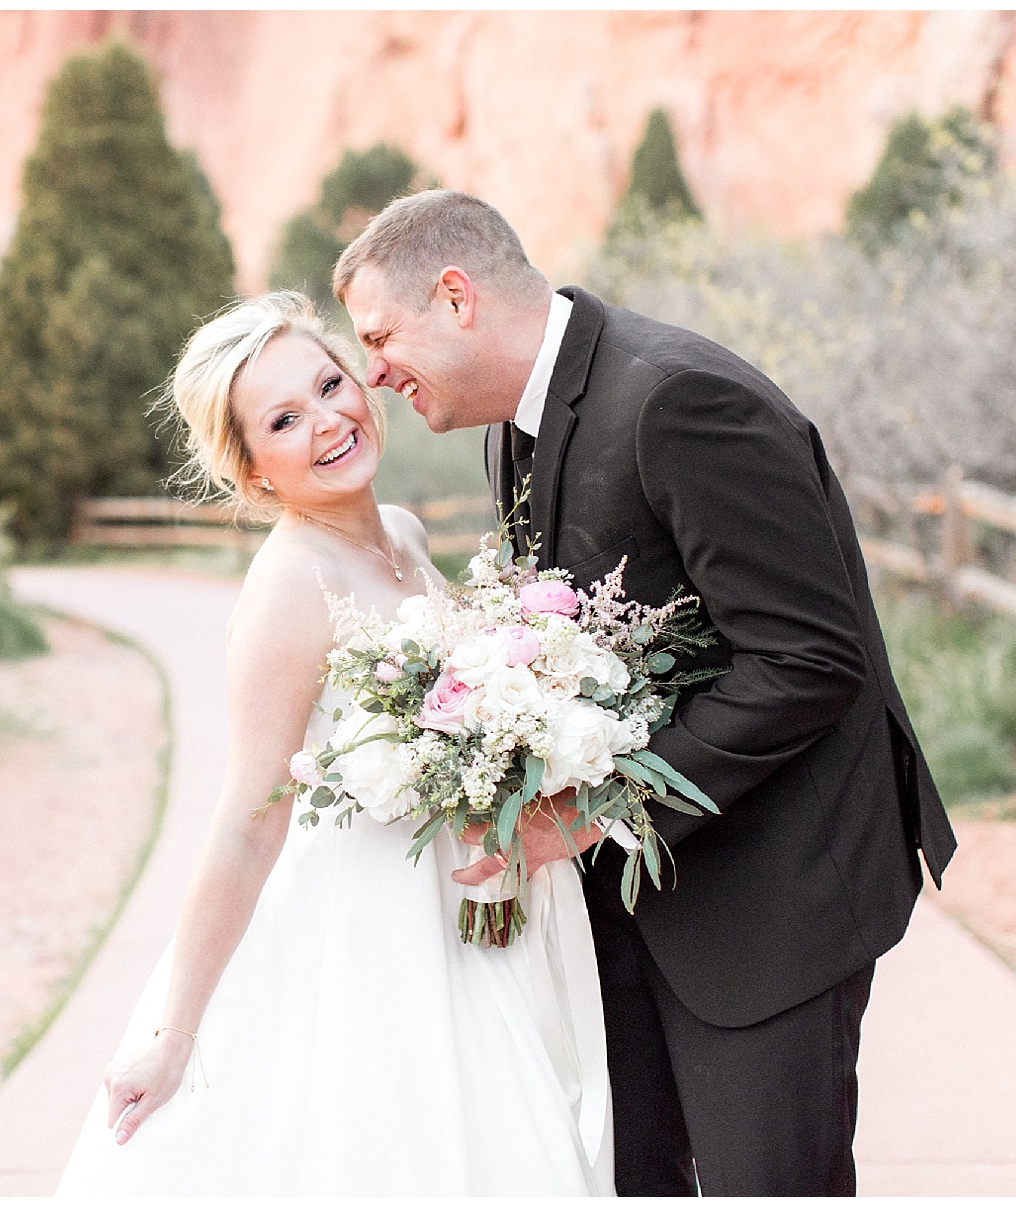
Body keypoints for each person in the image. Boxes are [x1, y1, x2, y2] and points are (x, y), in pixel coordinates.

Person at [334, 189, 957, 1197]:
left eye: (377, 335)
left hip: (773, 900)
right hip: (636, 912)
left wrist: (595, 808)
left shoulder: (677, 398)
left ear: (455, 297)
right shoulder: (515, 429)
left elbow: (808, 656)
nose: (372, 372)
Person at [55, 292, 614, 1196]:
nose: (327, 421)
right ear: (254, 469)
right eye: (284, 418)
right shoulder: (288, 586)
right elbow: (245, 820)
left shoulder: (401, 533)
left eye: (329, 384)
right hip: (366, 937)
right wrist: (173, 1033)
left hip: (464, 910)